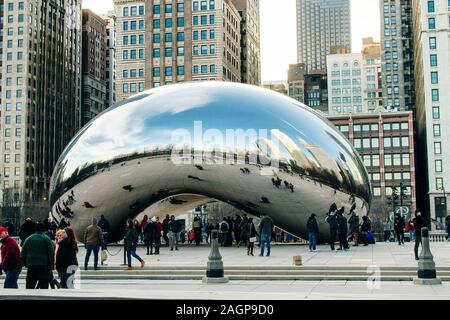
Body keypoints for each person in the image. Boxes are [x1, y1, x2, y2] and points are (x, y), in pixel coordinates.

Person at [21, 222, 55, 289]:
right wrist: (51, 266)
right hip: (44, 266)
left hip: (31, 265)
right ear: (44, 229)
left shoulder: (28, 239)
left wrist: (26, 263)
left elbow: (22, 253)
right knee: (44, 287)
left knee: (30, 287)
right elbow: (51, 253)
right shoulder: (47, 239)